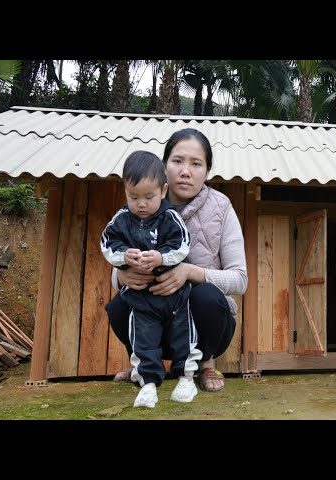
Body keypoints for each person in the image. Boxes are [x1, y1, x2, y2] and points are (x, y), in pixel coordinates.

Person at [105, 128, 247, 395]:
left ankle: (205, 364)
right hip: (154, 317)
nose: (185, 171)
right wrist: (121, 275)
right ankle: (146, 365)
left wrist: (189, 272)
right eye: (177, 161)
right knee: (118, 306)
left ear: (207, 171)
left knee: (206, 296)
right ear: (164, 166)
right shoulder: (139, 206)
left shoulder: (222, 207)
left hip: (205, 324)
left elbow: (240, 280)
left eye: (196, 164)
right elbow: (116, 262)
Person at [101, 150, 200, 408]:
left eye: (149, 197)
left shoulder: (170, 218)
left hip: (175, 297)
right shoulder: (121, 220)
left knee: (184, 337)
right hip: (142, 300)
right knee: (143, 341)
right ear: (125, 191)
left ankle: (186, 378)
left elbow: (181, 245)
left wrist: (161, 257)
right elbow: (107, 245)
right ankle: (148, 384)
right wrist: (124, 257)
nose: (141, 204)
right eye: (133, 197)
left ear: (163, 191)